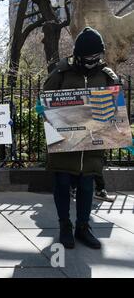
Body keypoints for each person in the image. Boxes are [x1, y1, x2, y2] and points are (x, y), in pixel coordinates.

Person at [43, 26, 119, 250]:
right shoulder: (61, 73)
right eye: (88, 56)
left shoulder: (107, 75)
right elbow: (45, 104)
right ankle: (65, 226)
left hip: (93, 144)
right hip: (66, 142)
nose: (92, 60)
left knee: (87, 186)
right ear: (78, 54)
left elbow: (116, 107)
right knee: (62, 183)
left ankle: (83, 227)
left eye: (96, 56)